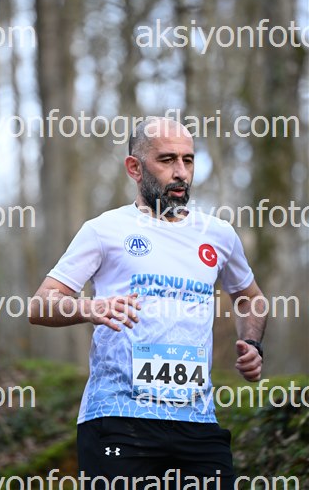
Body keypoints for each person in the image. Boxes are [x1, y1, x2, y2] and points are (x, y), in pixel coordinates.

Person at [29, 117, 267, 489]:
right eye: (167, 160)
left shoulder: (219, 235)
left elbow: (250, 299)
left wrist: (251, 343)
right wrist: (88, 308)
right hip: (118, 419)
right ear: (134, 168)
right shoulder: (104, 230)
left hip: (197, 422)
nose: (181, 172)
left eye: (188, 160)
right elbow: (41, 305)